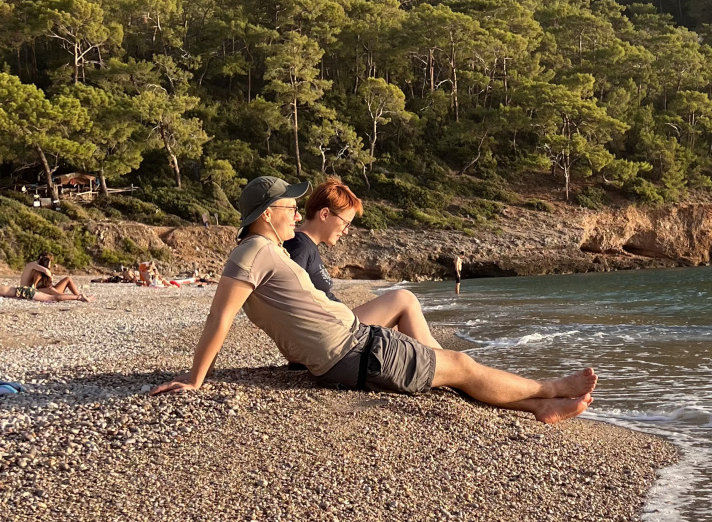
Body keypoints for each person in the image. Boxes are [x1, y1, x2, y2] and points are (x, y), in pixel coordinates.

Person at [152, 174, 596, 422]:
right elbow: (220, 317)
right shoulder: (252, 252)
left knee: (453, 369)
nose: (295, 212)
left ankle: (539, 405)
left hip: (352, 344)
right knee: (459, 365)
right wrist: (196, 379)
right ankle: (550, 389)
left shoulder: (263, 251)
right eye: (289, 207)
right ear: (268, 215)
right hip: (353, 351)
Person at [286, 179, 444, 350]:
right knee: (404, 299)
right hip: (327, 335)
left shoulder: (306, 246)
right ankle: (447, 365)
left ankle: (446, 361)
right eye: (346, 223)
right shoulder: (299, 246)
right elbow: (290, 299)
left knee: (401, 329)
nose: (346, 231)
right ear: (324, 214)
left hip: (334, 326)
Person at [17, 254, 91, 302]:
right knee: (52, 290)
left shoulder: (39, 269)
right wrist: (50, 276)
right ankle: (78, 297)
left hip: (43, 289)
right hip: (29, 290)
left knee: (68, 279)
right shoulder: (33, 266)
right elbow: (34, 286)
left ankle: (79, 296)